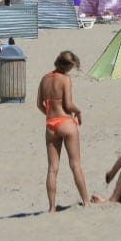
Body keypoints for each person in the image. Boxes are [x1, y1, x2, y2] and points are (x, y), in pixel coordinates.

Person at [36, 51, 90, 212]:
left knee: (52, 168)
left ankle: (52, 207)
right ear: (67, 66)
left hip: (50, 124)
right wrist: (78, 112)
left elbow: (39, 104)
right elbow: (68, 104)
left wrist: (51, 115)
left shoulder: (45, 78)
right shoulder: (65, 79)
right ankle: (86, 201)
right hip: (66, 122)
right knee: (75, 165)